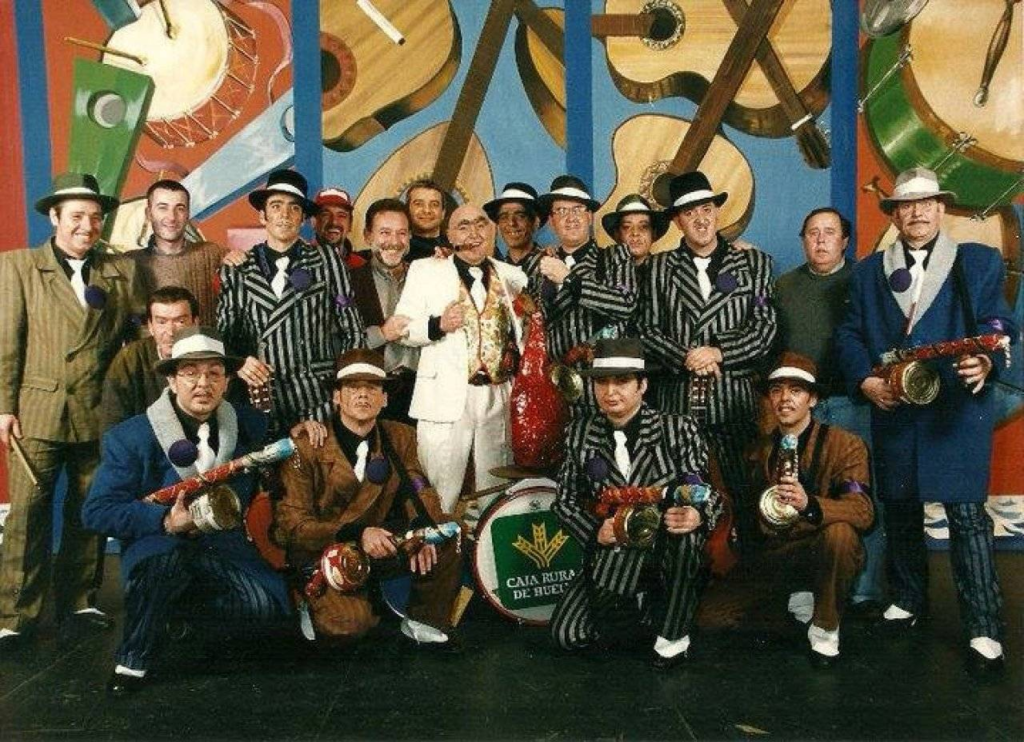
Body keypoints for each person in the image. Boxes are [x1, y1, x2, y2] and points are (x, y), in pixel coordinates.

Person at [835, 167, 1015, 674]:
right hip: (895, 408)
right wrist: (864, 380)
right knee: (900, 510)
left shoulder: (977, 261)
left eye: (926, 203)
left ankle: (984, 629)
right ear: (894, 214)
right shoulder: (868, 271)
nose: (916, 213)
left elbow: (999, 323)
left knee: (966, 517)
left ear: (941, 208)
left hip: (957, 409)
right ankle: (909, 599)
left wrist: (985, 360)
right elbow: (850, 334)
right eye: (906, 205)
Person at [83, 327, 289, 695]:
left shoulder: (249, 425)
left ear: (227, 381)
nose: (203, 384)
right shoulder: (131, 436)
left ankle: (181, 623)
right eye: (190, 373)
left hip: (222, 547)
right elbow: (96, 512)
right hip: (160, 548)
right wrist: (165, 520)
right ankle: (132, 660)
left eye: (214, 373)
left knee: (264, 609)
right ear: (172, 380)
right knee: (164, 570)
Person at [0, 173, 143, 651]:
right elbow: (6, 343)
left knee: (89, 509)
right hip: (37, 410)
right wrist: (3, 408)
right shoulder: (18, 266)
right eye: (77, 216)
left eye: (96, 217)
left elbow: (135, 344)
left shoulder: (119, 270)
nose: (87, 226)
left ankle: (79, 601)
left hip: (97, 411)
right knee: (27, 515)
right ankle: (14, 615)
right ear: (54, 217)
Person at [549, 339, 721, 668]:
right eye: (602, 382)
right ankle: (644, 610)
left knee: (686, 536)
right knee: (568, 635)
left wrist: (697, 514)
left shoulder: (677, 428)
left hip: (665, 550)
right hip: (613, 554)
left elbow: (704, 490)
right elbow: (565, 503)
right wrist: (595, 531)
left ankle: (672, 636)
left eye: (622, 381)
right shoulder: (579, 433)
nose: (610, 392)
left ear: (642, 385)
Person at [274, 349, 462, 645]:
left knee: (448, 530)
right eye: (352, 387)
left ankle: (423, 617)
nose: (363, 395)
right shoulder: (306, 445)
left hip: (380, 543)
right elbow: (293, 527)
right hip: (327, 550)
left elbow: (418, 487)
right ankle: (309, 601)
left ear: (384, 398)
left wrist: (425, 529)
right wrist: (357, 533)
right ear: (337, 397)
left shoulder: (400, 436)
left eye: (372, 387)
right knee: (350, 626)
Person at [639, 171, 777, 544]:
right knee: (681, 497)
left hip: (733, 402)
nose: (700, 219)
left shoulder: (755, 263)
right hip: (678, 404)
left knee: (744, 498)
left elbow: (764, 330)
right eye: (689, 212)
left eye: (705, 209)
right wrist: (688, 356)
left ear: (717, 211)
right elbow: (647, 330)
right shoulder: (658, 267)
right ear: (677, 221)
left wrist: (718, 352)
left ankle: (747, 569)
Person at [713, 353, 873, 666]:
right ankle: (797, 600)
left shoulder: (846, 444)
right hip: (777, 556)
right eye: (777, 390)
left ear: (813, 399)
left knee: (841, 533)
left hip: (821, 549)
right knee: (711, 618)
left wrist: (809, 504)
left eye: (796, 391)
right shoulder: (757, 450)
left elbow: (863, 512)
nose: (784, 399)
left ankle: (825, 629)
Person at [775, 208, 885, 615]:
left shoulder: (865, 281)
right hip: (805, 408)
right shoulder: (785, 286)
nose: (820, 240)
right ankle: (810, 586)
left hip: (854, 403)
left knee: (861, 494)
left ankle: (866, 591)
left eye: (829, 233)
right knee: (802, 492)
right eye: (812, 233)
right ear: (803, 240)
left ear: (845, 241)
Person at [394, 203, 527, 518]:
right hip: (445, 394)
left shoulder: (513, 276)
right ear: (450, 235)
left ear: (491, 231)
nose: (474, 233)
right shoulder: (425, 270)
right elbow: (402, 328)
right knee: (440, 489)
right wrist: (436, 325)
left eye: (481, 224)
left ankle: (488, 544)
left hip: (498, 392)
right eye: (463, 226)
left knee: (497, 488)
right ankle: (436, 544)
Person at [216, 169, 365, 437]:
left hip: (318, 399)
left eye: (293, 208)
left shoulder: (327, 260)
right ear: (262, 216)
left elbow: (353, 329)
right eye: (276, 206)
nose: (284, 215)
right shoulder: (238, 268)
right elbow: (224, 335)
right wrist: (239, 363)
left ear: (303, 217)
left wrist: (344, 389)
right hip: (261, 399)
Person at [525, 175, 638, 413]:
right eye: (561, 211)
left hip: (603, 388)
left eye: (577, 209)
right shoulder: (538, 264)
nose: (571, 217)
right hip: (553, 389)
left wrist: (569, 279)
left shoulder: (615, 256)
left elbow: (625, 304)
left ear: (589, 216)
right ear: (551, 221)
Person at [349, 198, 419, 423]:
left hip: (423, 393)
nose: (394, 242)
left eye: (401, 233)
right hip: (371, 392)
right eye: (385, 233)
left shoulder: (426, 277)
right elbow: (338, 340)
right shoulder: (350, 281)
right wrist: (381, 334)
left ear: (410, 236)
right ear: (368, 236)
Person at [130, 179, 227, 327]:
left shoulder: (212, 253)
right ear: (149, 213)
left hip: (205, 341)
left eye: (180, 208)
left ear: (188, 214)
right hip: (149, 343)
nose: (171, 217)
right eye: (163, 208)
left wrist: (237, 258)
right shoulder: (129, 263)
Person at [101, 286, 199, 430]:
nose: (170, 332)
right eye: (161, 322)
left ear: (195, 323)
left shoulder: (214, 356)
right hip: (144, 441)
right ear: (150, 326)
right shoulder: (130, 359)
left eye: (180, 322)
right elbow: (112, 424)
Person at [600, 193, 670, 270]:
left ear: (653, 233)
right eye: (627, 227)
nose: (635, 233)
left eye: (644, 226)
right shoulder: (603, 272)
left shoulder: (667, 272)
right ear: (617, 234)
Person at [482, 182, 544, 267]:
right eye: (504, 217)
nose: (511, 223)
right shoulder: (495, 269)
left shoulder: (553, 265)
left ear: (536, 222)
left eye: (520, 216)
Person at [313, 186, 365, 270]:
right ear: (314, 221)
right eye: (325, 215)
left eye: (341, 215)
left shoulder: (362, 267)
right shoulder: (300, 262)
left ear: (350, 224)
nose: (334, 222)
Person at [404, 179, 449, 262]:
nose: (427, 210)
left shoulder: (456, 250)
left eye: (434, 204)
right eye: (418, 204)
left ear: (443, 212)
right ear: (407, 210)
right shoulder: (399, 250)